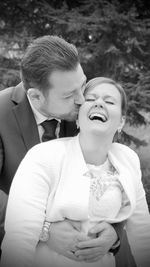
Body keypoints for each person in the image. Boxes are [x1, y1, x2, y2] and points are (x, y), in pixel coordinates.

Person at [0, 35, 127, 264]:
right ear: (35, 96)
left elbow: (114, 172)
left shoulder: (89, 107)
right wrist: (43, 229)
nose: (82, 100)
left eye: (83, 85)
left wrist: (114, 231)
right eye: (69, 95)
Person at [1, 77, 150, 267]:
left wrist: (116, 234)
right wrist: (45, 230)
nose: (99, 103)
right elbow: (19, 238)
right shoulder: (43, 156)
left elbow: (143, 232)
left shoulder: (128, 159)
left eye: (109, 101)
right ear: (78, 117)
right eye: (90, 99)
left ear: (121, 122)